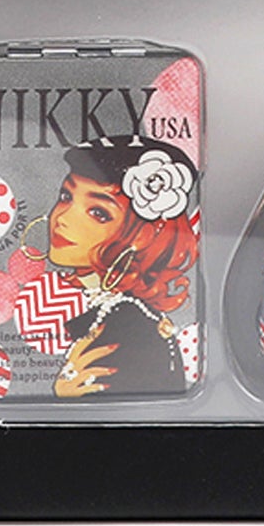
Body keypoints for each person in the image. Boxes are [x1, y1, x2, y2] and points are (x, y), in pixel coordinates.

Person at [42, 136, 199, 399]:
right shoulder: (115, 312)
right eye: (66, 196)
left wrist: (63, 396)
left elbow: (118, 413)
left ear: (141, 237)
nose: (62, 218)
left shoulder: (124, 325)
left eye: (98, 213)